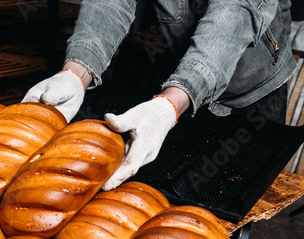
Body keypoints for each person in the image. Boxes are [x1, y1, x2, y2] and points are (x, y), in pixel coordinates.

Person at [22, 0, 297, 191]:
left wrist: (169, 105)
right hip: (176, 77)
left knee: (228, 206)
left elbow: (235, 13)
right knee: (156, 187)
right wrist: (77, 70)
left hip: (249, 91)